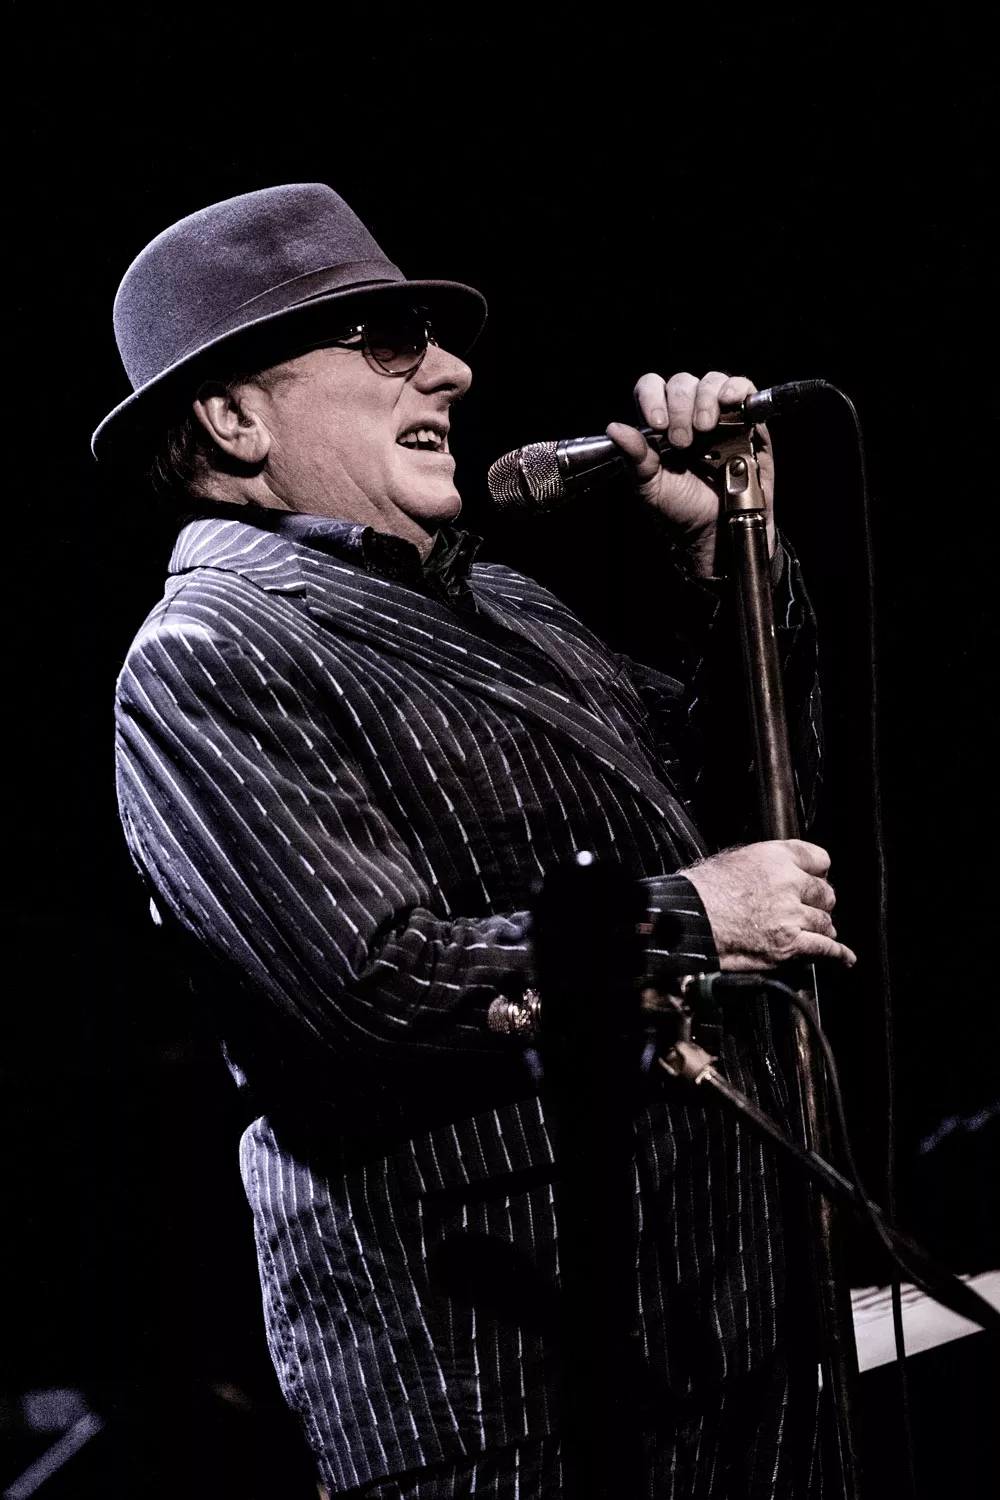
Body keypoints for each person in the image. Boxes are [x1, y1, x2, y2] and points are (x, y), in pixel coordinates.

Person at [97, 183, 855, 1498]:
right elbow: (367, 985)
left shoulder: (502, 600)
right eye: (390, 342)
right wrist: (693, 918)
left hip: (734, 1321)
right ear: (235, 418)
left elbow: (751, 825)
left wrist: (730, 557)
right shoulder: (213, 649)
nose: (450, 371)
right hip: (507, 1380)